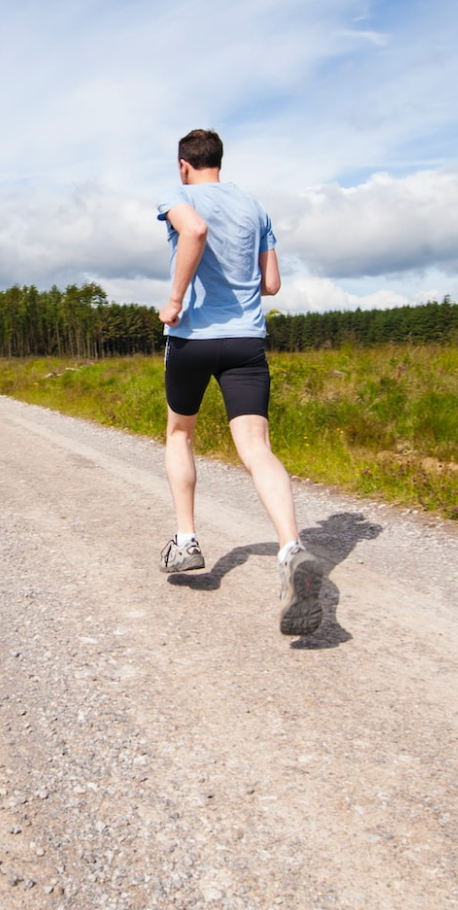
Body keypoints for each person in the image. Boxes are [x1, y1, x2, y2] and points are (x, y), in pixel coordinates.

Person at [155, 129, 322, 636]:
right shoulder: (255, 207)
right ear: (219, 162)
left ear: (184, 165)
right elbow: (271, 284)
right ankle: (292, 547)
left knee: (180, 433)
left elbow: (195, 231)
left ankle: (186, 542)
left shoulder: (178, 197)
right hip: (247, 341)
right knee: (256, 448)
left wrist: (176, 299)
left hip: (192, 339)